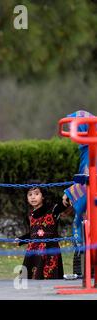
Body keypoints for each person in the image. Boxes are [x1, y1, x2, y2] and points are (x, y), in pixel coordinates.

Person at [62, 110, 96, 278]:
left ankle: (84, 270)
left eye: (73, 126)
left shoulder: (90, 148)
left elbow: (87, 179)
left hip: (92, 202)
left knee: (81, 225)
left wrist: (69, 193)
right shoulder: (89, 146)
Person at [16, 186, 72, 279]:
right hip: (33, 253)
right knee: (31, 280)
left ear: (43, 197)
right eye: (30, 195)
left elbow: (64, 204)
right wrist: (21, 239)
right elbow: (34, 234)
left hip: (49, 251)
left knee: (49, 279)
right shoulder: (31, 215)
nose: (33, 197)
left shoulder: (52, 210)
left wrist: (68, 194)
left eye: (36, 194)